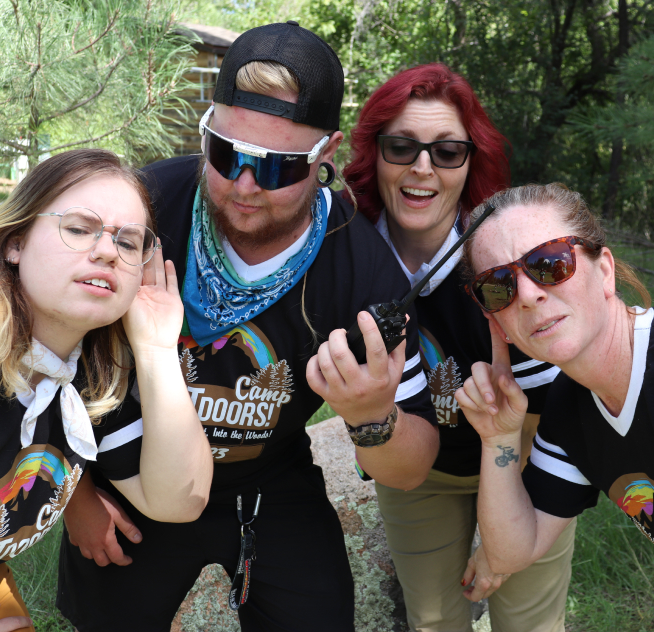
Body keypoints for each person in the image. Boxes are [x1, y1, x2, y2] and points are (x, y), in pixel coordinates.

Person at [56, 21, 439, 632]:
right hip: (128, 464)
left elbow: (413, 464)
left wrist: (373, 417)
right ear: (207, 127)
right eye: (226, 152)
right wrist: (72, 496)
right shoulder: (144, 205)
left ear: (327, 156)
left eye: (279, 167)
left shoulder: (363, 275)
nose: (243, 185)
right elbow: (37, 350)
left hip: (267, 477)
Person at [0, 149, 212, 632]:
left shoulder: (87, 368)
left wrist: (157, 348)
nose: (106, 251)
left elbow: (178, 500)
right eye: (79, 228)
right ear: (14, 242)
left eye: (128, 242)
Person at [343, 64, 576, 632]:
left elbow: (548, 412)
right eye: (402, 146)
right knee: (432, 621)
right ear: (375, 154)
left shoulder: (503, 253)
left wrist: (503, 541)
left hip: (530, 452)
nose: (423, 168)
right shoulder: (342, 255)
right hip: (422, 471)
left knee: (529, 622)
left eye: (447, 151)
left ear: (470, 161)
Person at [455, 183, 654, 578]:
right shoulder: (569, 411)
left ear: (605, 272)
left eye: (550, 263)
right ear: (497, 323)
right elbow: (512, 552)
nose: (527, 294)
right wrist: (499, 438)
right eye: (499, 286)